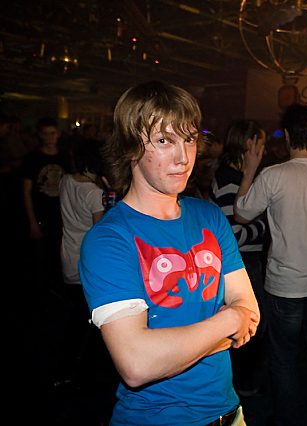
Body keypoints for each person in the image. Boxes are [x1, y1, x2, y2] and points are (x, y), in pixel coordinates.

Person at [79, 81, 260, 426]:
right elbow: (137, 365)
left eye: (189, 139)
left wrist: (170, 350)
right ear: (130, 147)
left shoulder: (209, 216)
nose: (183, 157)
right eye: (164, 141)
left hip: (230, 414)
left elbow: (250, 314)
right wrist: (228, 320)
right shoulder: (108, 240)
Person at [234, 103, 307, 426]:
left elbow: (242, 214)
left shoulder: (273, 176)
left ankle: (287, 418)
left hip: (285, 284)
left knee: (284, 355)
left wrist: (249, 170)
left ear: (286, 136)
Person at [211, 119, 269, 397]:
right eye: (262, 143)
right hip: (241, 263)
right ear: (249, 144)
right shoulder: (228, 180)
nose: (265, 149)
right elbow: (233, 236)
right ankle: (241, 385)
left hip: (246, 261)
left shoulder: (234, 177)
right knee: (248, 324)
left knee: (250, 324)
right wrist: (266, 226)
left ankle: (241, 383)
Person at [57, 139, 108, 385]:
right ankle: (84, 378)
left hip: (67, 256)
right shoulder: (94, 193)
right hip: (86, 263)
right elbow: (99, 235)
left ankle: (65, 370)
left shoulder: (66, 180)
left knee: (76, 319)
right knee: (93, 324)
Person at [21, 116, 72, 299]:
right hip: (42, 215)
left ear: (58, 134)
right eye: (46, 134)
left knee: (59, 259)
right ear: (40, 135)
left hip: (61, 217)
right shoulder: (32, 158)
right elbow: (26, 191)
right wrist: (32, 222)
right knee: (40, 260)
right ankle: (41, 297)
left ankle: (56, 294)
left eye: (52, 133)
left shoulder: (65, 157)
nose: (50, 137)